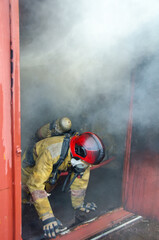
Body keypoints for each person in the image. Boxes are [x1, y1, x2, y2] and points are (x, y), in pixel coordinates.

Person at [22, 132, 105, 239]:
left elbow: (80, 181)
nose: (86, 166)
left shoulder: (82, 157)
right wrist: (47, 217)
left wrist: (79, 204)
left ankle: (36, 207)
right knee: (24, 195)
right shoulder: (52, 152)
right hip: (28, 170)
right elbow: (35, 185)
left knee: (40, 194)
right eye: (85, 164)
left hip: (49, 171)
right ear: (77, 152)